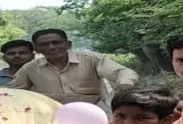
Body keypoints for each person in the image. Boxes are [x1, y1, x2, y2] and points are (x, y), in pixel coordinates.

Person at [10, 29, 139, 105]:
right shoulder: (30, 68)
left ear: (68, 44)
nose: (51, 47)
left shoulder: (91, 59)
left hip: (93, 108)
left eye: (56, 42)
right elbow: (12, 91)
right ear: (36, 49)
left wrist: (125, 85)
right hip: (50, 112)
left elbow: (123, 72)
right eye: (44, 44)